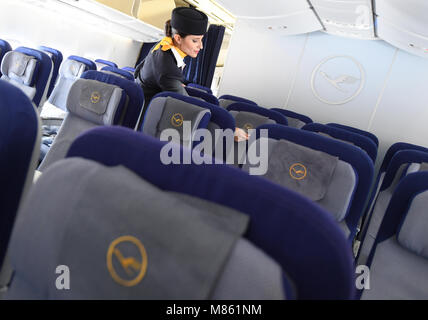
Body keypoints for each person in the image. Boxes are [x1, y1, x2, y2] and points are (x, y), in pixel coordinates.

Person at [135, 6, 248, 141]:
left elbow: (137, 71)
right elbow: (188, 104)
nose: (201, 46)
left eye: (201, 40)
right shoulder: (167, 68)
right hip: (147, 119)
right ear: (178, 38)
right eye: (195, 40)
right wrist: (229, 128)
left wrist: (163, 84)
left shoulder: (163, 45)